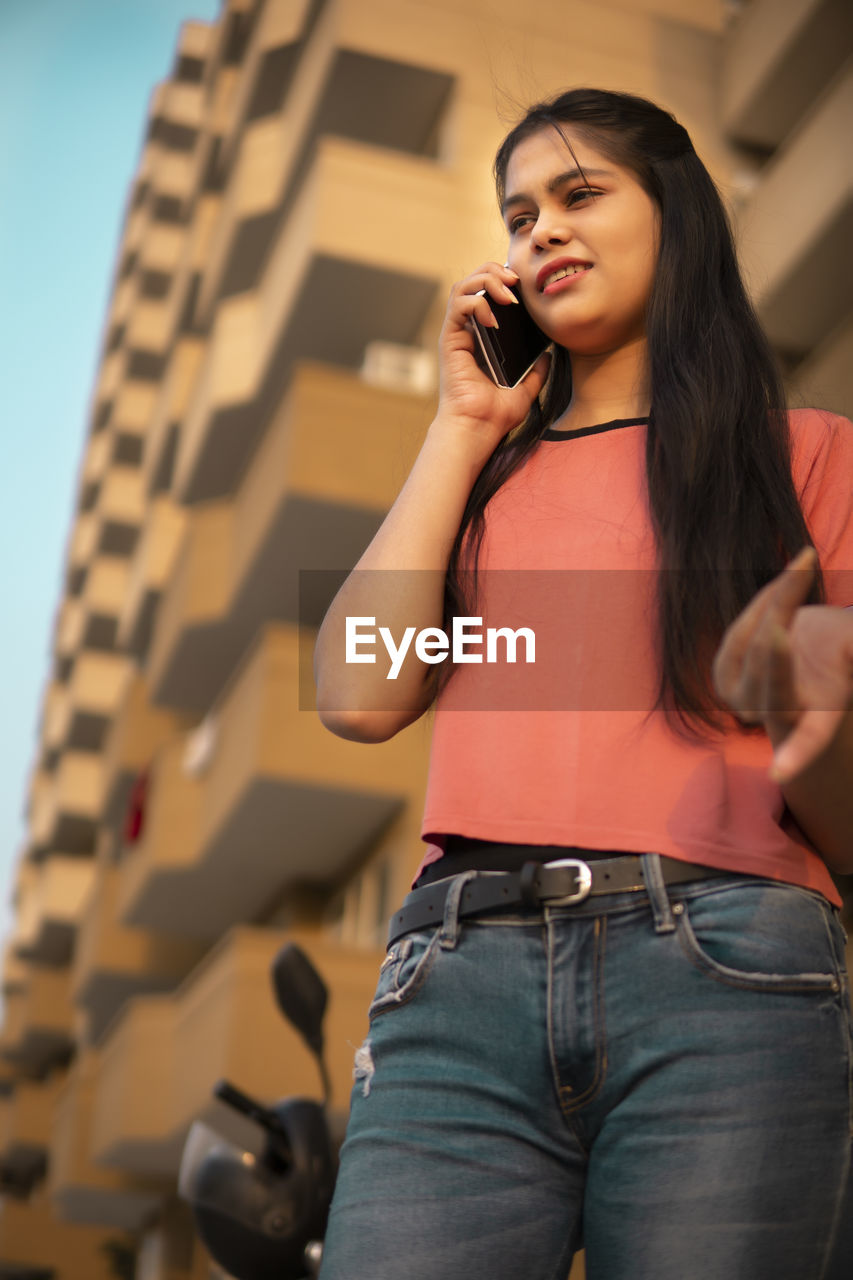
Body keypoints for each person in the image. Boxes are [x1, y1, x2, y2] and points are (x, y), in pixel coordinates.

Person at [313, 88, 853, 1280]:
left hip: (729, 972)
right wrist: (461, 426)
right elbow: (353, 695)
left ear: (678, 218)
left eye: (579, 194)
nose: (540, 231)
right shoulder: (483, 479)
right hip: (456, 982)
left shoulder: (808, 452)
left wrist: (803, 710)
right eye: (516, 215)